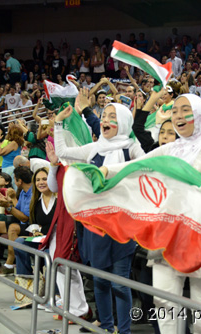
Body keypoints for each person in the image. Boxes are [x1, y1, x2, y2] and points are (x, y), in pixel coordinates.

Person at [100, 94, 201, 334]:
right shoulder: (169, 149)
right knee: (163, 299)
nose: (177, 116)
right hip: (169, 227)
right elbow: (136, 165)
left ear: (199, 113)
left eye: (185, 110)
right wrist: (104, 170)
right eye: (174, 110)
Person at [54, 98, 145, 334]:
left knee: (119, 283)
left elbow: (145, 168)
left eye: (112, 117)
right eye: (103, 116)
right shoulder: (94, 148)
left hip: (123, 225)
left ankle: (123, 330)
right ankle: (105, 326)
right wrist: (58, 123)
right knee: (100, 281)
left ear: (123, 122)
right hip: (96, 226)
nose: (105, 120)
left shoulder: (131, 148)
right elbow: (62, 152)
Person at [0, 166, 32, 275]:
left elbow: (25, 218)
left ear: (19, 181)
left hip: (32, 226)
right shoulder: (22, 192)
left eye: (14, 178)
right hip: (21, 222)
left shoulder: (33, 193)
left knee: (13, 228)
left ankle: (9, 265)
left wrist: (8, 206)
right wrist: (8, 200)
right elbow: (18, 210)